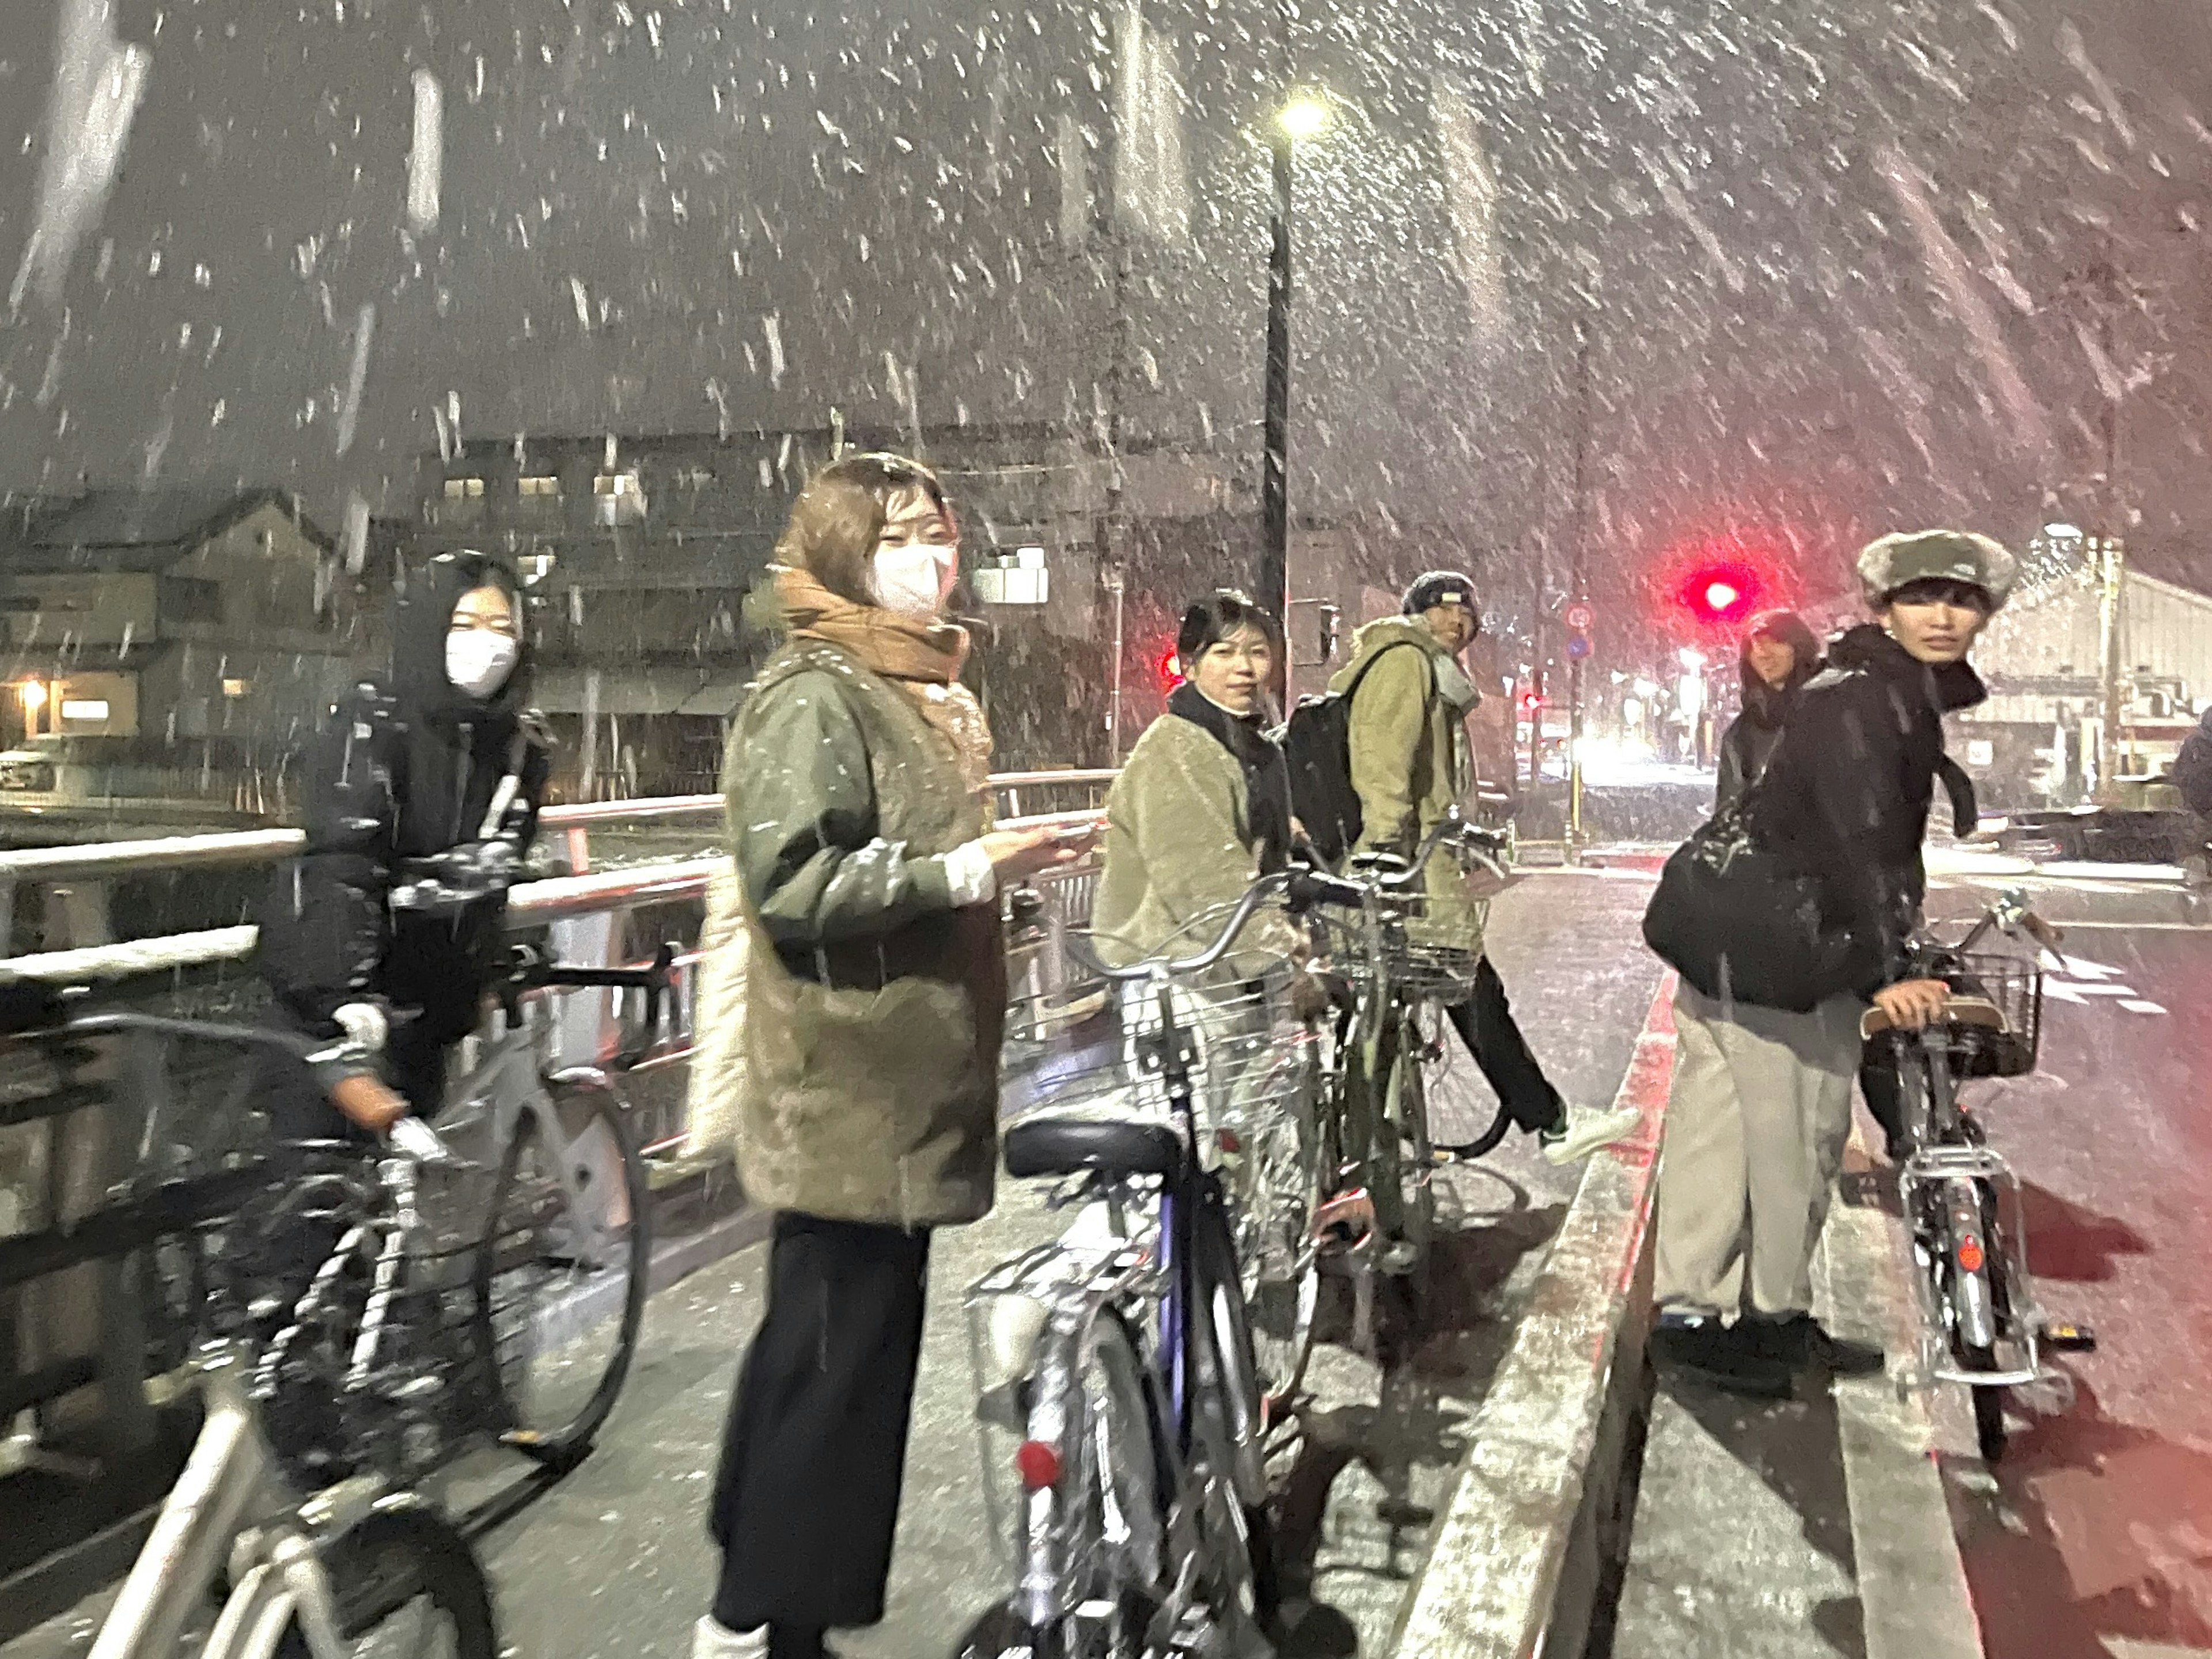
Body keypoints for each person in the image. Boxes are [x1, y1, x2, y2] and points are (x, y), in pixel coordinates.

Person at [691, 454, 1092, 1659]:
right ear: (844, 552)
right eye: (906, 536)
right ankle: (774, 1625)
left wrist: (986, 890)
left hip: (893, 1083)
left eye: (944, 536)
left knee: (820, 1355)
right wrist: (971, 872)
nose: (938, 559)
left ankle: (751, 1603)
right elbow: (793, 882)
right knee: (838, 1374)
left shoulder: (901, 685)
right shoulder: (817, 691)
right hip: (845, 1083)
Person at [1650, 529, 2015, 1396]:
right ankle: (1772, 1321)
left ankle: (1691, 1315)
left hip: (1728, 932)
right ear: (1883, 608)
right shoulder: (1869, 699)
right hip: (1790, 947)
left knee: (1723, 1134)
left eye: (1961, 601)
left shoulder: (1859, 686)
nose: (1943, 616)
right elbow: (1863, 846)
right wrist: (1892, 971)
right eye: (1923, 598)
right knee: (1798, 1137)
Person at [1334, 571, 1638, 1165]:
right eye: (1441, 611)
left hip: (1413, 866)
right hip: (1406, 875)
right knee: (1471, 988)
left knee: (1406, 1009)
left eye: (1465, 615)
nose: (1455, 623)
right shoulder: (1406, 663)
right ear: (1414, 615)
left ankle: (1369, 1156)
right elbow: (1384, 766)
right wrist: (1384, 851)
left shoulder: (1425, 667)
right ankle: (1550, 1122)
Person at [255, 550, 547, 1142]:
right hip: (342, 1011)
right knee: (322, 1193)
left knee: (395, 1196)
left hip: (430, 1010)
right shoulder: (376, 718)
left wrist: (487, 963)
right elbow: (343, 856)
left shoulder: (519, 745)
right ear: (427, 626)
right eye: (464, 625)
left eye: (504, 629)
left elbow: (499, 864)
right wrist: (341, 994)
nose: (487, 645)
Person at [1093, 588, 1301, 965]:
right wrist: (1279, 955)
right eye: (1223, 652)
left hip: (1223, 968)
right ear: (1190, 665)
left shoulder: (1252, 750)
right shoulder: (1174, 747)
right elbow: (1204, 878)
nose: (1244, 667)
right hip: (1170, 966)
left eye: (1258, 652)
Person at [1714, 610, 1822, 810]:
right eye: (1754, 647)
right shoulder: (1742, 734)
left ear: (1799, 648)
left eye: (1776, 642)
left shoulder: (1834, 711)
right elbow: (1730, 813)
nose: (1764, 653)